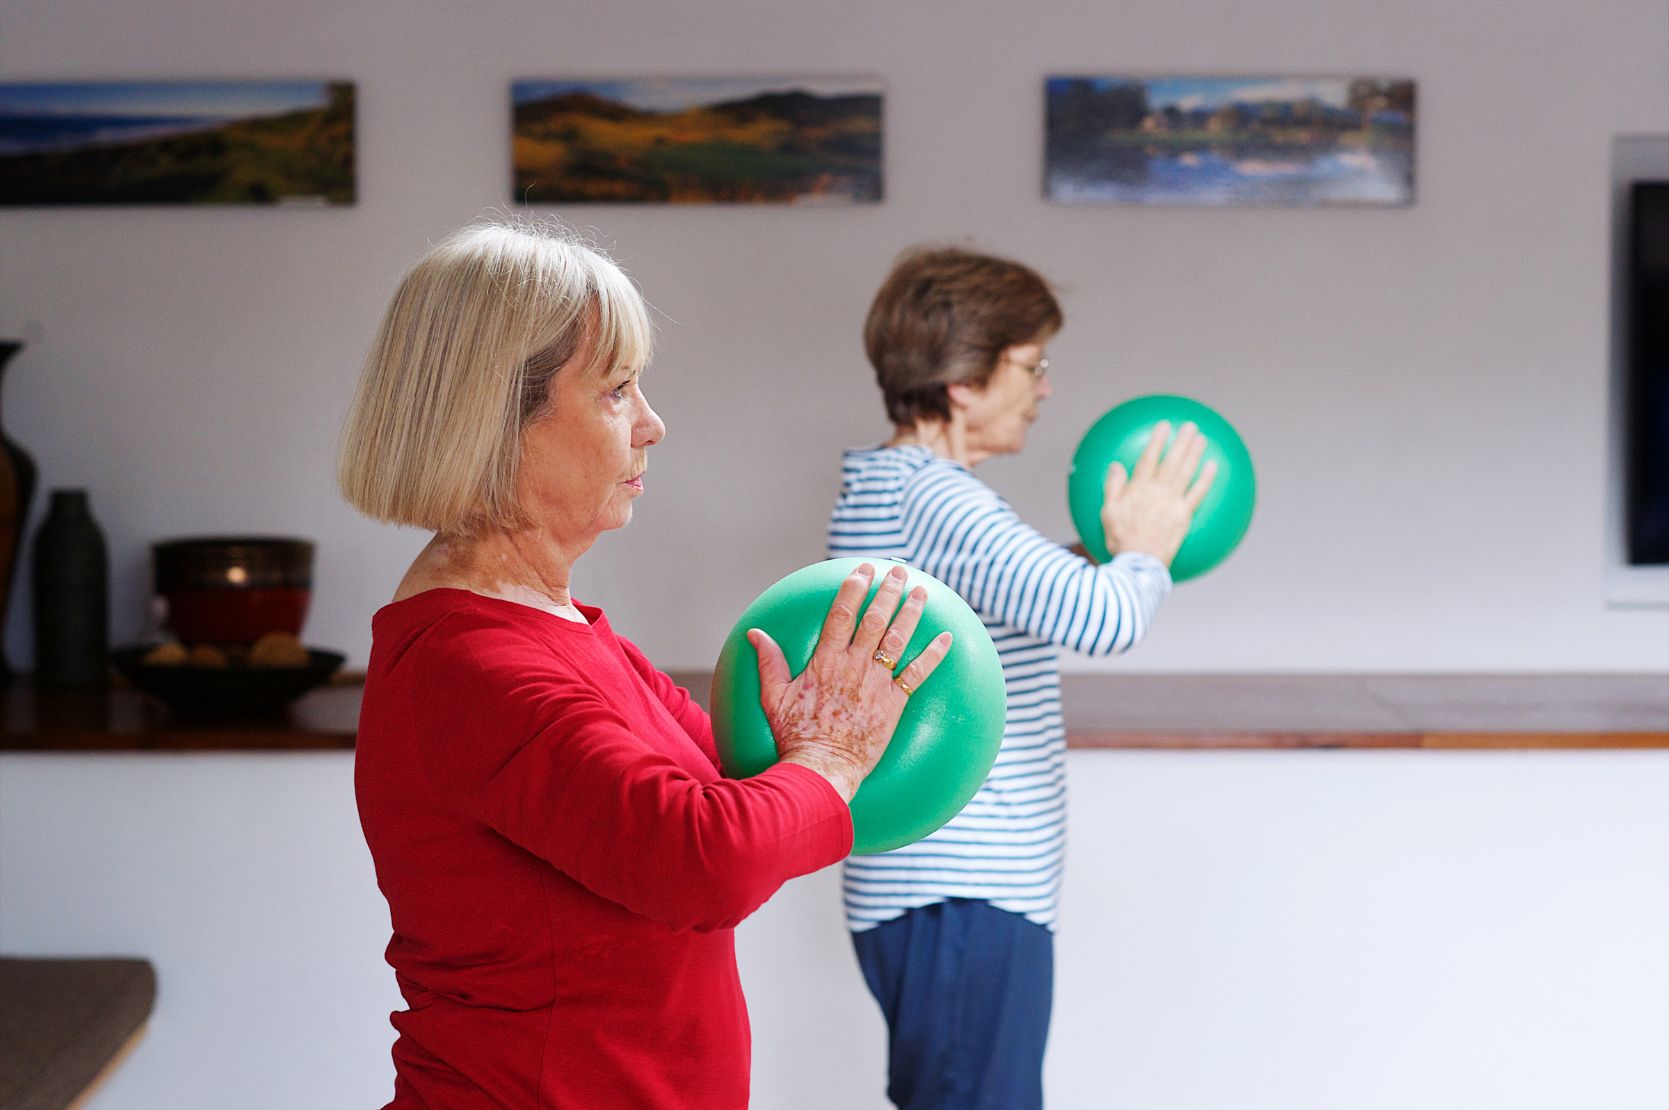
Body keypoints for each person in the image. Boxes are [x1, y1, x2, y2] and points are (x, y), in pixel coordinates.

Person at [337, 218, 952, 1109]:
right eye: (617, 392)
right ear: (496, 420)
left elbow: (738, 797)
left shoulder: (566, 629)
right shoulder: (465, 666)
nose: (653, 425)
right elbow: (707, 861)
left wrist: (820, 742)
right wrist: (829, 757)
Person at [828, 246, 1215, 1109]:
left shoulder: (897, 490)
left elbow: (1018, 590)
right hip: (961, 895)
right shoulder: (938, 499)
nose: (1044, 389)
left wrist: (1109, 553)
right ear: (964, 382)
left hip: (944, 895)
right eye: (1030, 366)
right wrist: (1145, 548)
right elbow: (1101, 619)